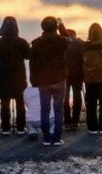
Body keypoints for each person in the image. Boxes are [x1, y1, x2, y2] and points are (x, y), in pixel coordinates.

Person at [29, 17, 71, 146]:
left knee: (45, 109)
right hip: (59, 79)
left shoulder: (36, 43)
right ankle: (57, 138)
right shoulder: (62, 41)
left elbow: (33, 63)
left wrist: (33, 79)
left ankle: (46, 138)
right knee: (58, 110)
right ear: (56, 27)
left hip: (43, 80)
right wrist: (61, 26)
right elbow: (70, 41)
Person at [0, 17, 29, 137]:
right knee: (20, 101)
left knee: (5, 101)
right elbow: (28, 55)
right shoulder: (22, 42)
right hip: (19, 75)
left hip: (3, 75)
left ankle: (5, 128)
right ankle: (21, 127)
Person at [81, 23, 102, 134]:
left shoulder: (85, 46)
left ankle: (92, 127)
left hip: (90, 78)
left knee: (91, 103)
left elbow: (82, 57)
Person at [63, 29, 84, 131]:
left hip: (65, 74)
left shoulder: (63, 45)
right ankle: (75, 121)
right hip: (77, 74)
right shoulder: (80, 44)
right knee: (77, 97)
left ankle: (67, 121)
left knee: (65, 98)